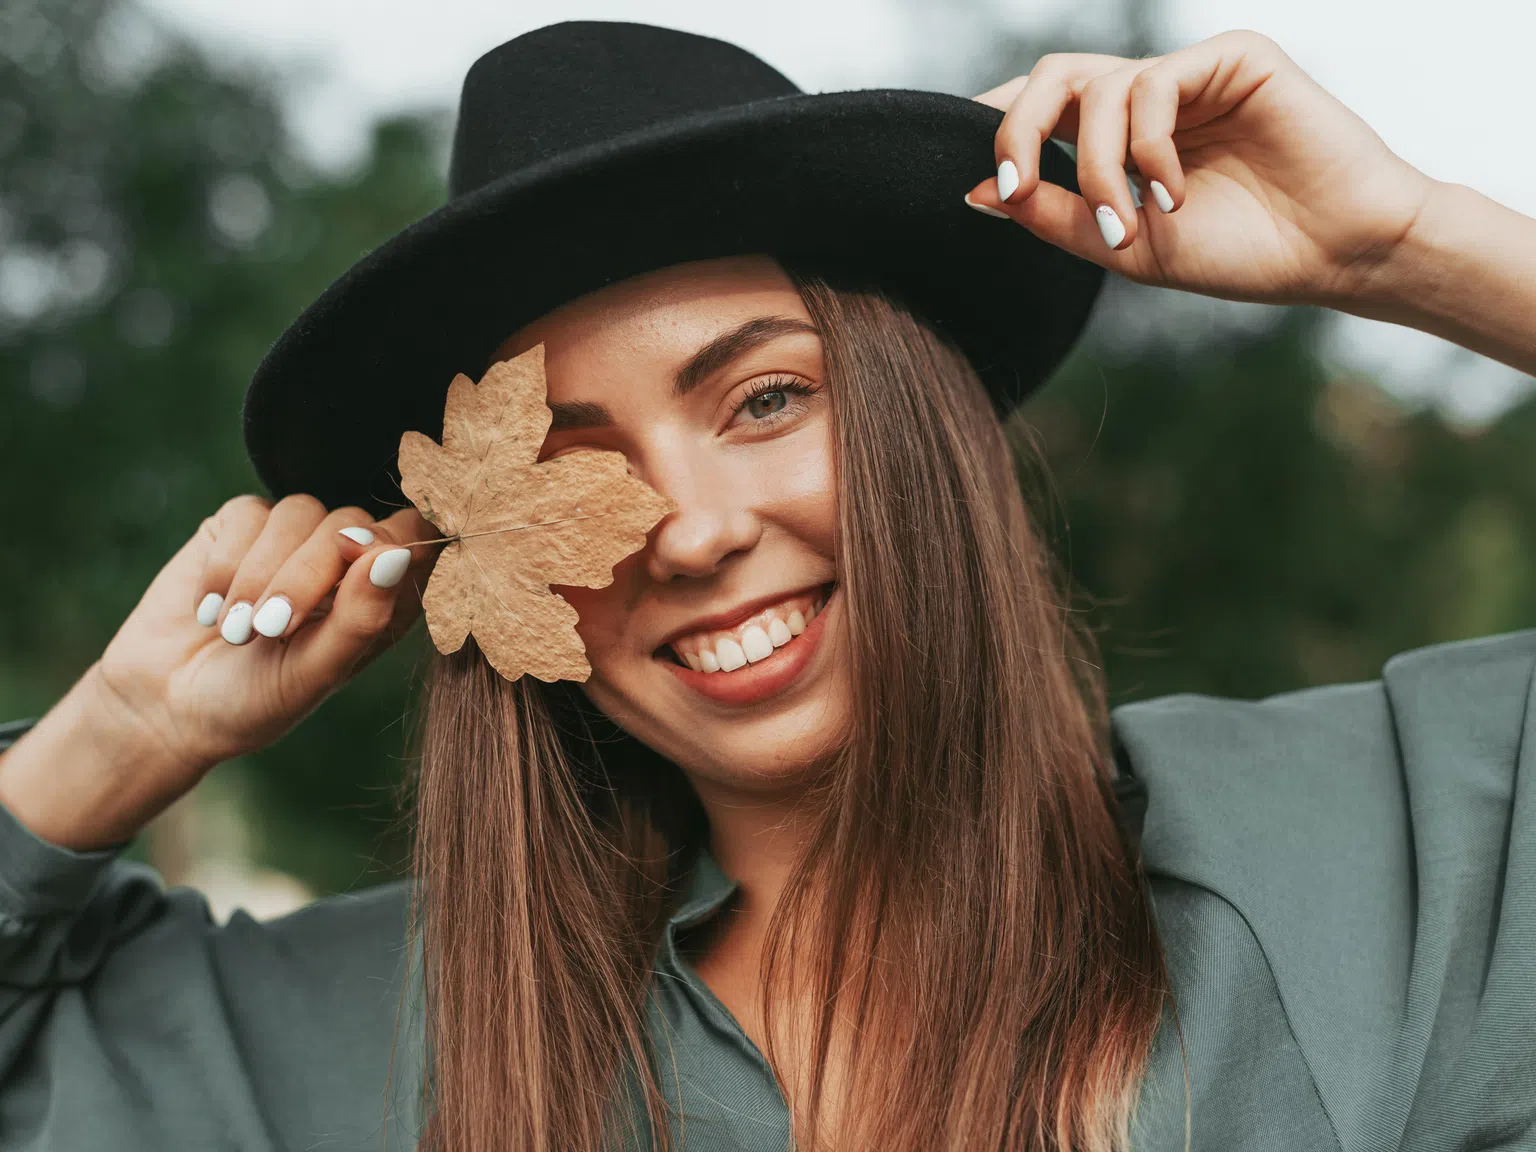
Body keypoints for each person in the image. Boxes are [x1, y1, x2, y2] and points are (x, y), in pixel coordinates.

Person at [0, 18, 1532, 1152]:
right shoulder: (389, 1038)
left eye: (765, 401)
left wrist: (1407, 248)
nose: (684, 531)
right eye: (567, 469)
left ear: (917, 423)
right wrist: (123, 733)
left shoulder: (1384, 854)